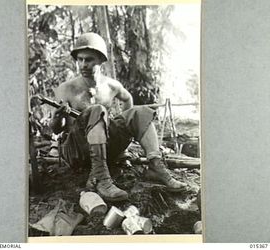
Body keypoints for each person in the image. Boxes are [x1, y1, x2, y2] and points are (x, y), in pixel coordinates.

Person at [49, 32, 186, 202]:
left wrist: (121, 123)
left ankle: (155, 166)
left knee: (141, 112)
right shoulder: (65, 89)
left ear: (101, 60)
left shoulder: (111, 85)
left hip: (105, 148)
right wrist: (58, 117)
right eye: (80, 59)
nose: (83, 64)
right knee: (97, 110)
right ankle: (100, 177)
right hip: (77, 152)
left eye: (89, 59)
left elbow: (127, 98)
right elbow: (55, 129)